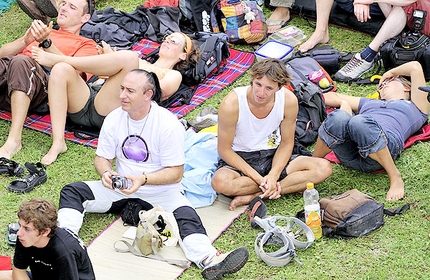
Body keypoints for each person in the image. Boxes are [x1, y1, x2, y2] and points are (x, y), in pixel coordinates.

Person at [54, 69, 249, 280]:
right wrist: (106, 173)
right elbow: (102, 158)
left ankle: (209, 260)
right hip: (122, 189)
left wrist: (143, 179)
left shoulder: (167, 124)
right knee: (73, 191)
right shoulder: (114, 118)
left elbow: (176, 174)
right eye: (121, 89)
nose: (122, 95)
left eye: (130, 91)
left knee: (187, 216)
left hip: (161, 191)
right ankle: (65, 242)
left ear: (147, 95)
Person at [31, 32, 199, 165]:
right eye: (166, 38)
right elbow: (89, 73)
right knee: (61, 69)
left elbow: (153, 92)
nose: (167, 41)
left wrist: (122, 66)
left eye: (174, 41)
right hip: (87, 99)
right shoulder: (140, 60)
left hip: (110, 109)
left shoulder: (173, 75)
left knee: (129, 58)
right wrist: (108, 60)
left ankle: (56, 59)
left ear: (184, 55)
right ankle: (58, 142)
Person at [211, 58, 333, 211]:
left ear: (279, 87)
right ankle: (276, 187)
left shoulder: (288, 101)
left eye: (269, 88)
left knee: (324, 168)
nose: (261, 93)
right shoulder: (232, 103)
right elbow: (224, 150)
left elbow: (287, 142)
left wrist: (274, 175)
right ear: (252, 79)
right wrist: (260, 179)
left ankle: (255, 195)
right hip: (241, 156)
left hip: (274, 154)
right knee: (220, 183)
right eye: (258, 84)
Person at [313, 61, 429, 201]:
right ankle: (313, 163)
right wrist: (344, 104)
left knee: (359, 121)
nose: (383, 84)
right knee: (340, 117)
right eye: (382, 84)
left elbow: (415, 67)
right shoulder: (370, 102)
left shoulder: (417, 106)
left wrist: (390, 73)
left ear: (406, 88)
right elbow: (329, 97)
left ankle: (395, 177)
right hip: (349, 153)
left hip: (384, 147)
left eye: (390, 81)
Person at [0, 0, 97, 160]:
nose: (64, 8)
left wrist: (46, 43)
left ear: (84, 18)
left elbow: (73, 73)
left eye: (72, 7)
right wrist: (26, 41)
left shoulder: (87, 44)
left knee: (21, 62)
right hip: (11, 80)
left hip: (41, 87)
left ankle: (14, 140)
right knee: (17, 62)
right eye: (64, 3)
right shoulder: (42, 31)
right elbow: (2, 54)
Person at [298, 0, 419, 82]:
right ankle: (321, 31)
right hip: (358, 4)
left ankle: (368, 55)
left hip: (393, 6)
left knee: (404, 5)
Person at [0, 198, 95, 280]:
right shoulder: (24, 238)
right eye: (20, 225)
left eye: (27, 229)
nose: (19, 233)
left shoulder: (64, 251)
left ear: (45, 232)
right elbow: (19, 271)